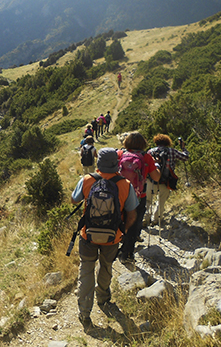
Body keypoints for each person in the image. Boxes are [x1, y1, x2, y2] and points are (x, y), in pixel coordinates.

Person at [71, 148, 137, 331]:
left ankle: (84, 313)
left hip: (88, 236)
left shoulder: (87, 180)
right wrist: (123, 231)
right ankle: (103, 298)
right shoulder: (125, 184)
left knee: (86, 270)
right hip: (112, 237)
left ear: (98, 162)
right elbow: (132, 213)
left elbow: (73, 200)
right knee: (106, 266)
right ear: (117, 162)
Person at [117, 132, 160, 264]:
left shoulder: (120, 154)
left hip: (120, 194)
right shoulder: (146, 157)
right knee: (134, 224)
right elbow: (156, 177)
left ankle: (114, 246)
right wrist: (157, 167)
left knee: (119, 219)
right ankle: (127, 254)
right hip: (138, 196)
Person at [147, 134, 189, 226]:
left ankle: (145, 219)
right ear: (167, 142)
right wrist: (183, 148)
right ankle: (156, 220)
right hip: (165, 181)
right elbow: (185, 157)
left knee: (148, 201)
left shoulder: (150, 151)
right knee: (161, 201)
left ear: (156, 142)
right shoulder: (172, 151)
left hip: (151, 180)